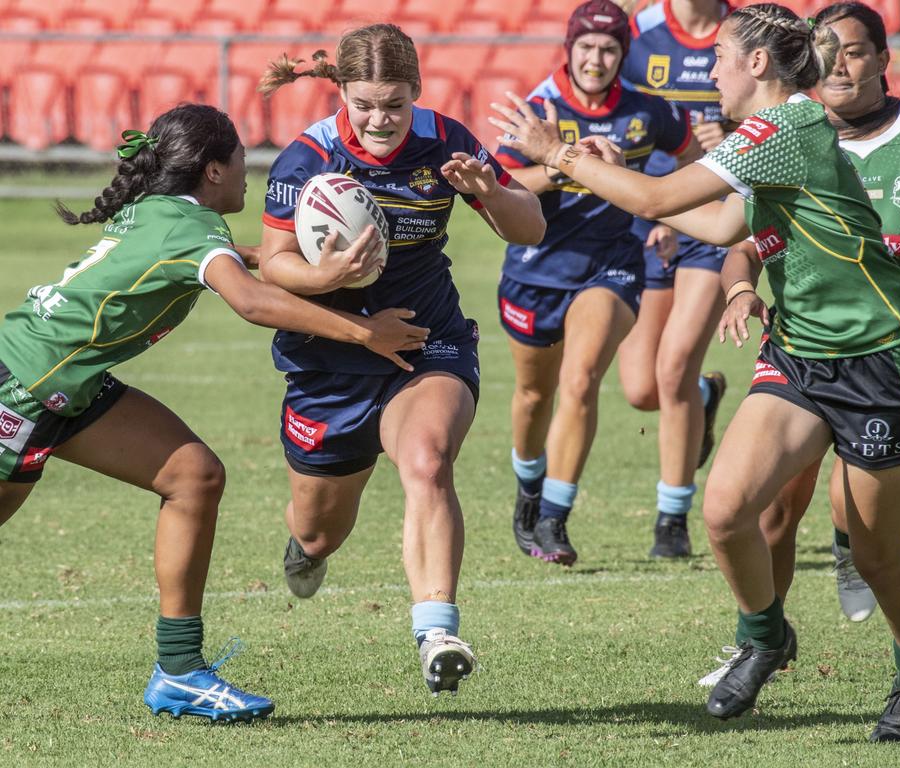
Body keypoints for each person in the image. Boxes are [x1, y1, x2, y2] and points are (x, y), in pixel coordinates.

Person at [492, 2, 900, 741]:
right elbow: (718, 224)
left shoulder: (782, 127)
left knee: (874, 554)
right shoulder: (775, 133)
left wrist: (563, 154)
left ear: (758, 65)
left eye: (722, 61)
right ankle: (766, 637)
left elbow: (660, 198)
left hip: (884, 365)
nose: (713, 75)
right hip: (803, 354)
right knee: (725, 511)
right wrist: (619, 174)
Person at [0, 103, 430, 721]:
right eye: (239, 160)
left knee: (193, 476)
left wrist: (294, 259)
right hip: (24, 388)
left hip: (69, 382)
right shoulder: (189, 228)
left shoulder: (164, 209)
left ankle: (179, 673)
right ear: (210, 170)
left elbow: (225, 260)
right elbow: (252, 304)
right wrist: (365, 333)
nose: (247, 174)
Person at [698, 0, 900, 670]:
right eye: (827, 50)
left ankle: (859, 566)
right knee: (763, 507)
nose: (839, 63)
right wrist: (739, 288)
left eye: (853, 49)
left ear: (883, 58)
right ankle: (757, 644)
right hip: (803, 346)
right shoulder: (791, 137)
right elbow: (742, 237)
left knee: (859, 523)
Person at [257, 24, 544, 695]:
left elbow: (530, 227)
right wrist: (329, 277)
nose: (380, 119)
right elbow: (273, 267)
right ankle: (307, 547)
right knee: (319, 531)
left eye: (394, 103)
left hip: (426, 341)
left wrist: (492, 192)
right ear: (343, 95)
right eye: (365, 105)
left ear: (416, 91)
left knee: (427, 460)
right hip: (329, 357)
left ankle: (437, 631)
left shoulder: (445, 143)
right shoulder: (306, 162)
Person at [495, 0, 693, 566]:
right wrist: (561, 163)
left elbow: (692, 158)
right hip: (537, 267)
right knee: (535, 395)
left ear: (623, 54)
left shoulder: (647, 111)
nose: (597, 59)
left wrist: (664, 216)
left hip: (613, 260)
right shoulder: (538, 108)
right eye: (587, 47)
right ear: (570, 48)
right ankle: (529, 489)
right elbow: (501, 185)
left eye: (609, 48)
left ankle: (555, 517)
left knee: (581, 380)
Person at [618, 0, 733, 558]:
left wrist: (731, 131)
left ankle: (672, 518)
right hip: (650, 218)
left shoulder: (744, 31)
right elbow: (607, 110)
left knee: (673, 367)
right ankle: (705, 394)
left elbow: (785, 111)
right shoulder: (637, 29)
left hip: (716, 219)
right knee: (642, 389)